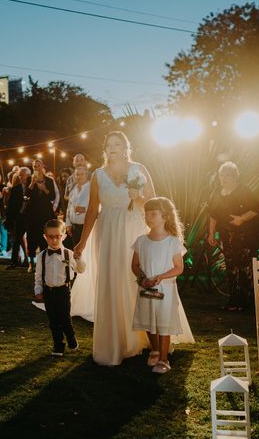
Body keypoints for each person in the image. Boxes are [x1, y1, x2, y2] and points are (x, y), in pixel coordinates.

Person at [73, 131, 156, 366]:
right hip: (107, 233)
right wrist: (82, 241)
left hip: (134, 229)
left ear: (126, 147)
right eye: (109, 144)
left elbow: (153, 203)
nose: (113, 148)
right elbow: (92, 211)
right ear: (105, 149)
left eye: (117, 144)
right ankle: (115, 343)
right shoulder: (98, 175)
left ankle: (147, 340)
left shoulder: (139, 169)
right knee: (111, 282)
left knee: (134, 281)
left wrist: (137, 197)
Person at [132, 197, 194, 374]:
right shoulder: (141, 241)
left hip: (165, 289)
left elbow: (178, 268)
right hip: (145, 288)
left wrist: (160, 277)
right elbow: (134, 265)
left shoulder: (172, 242)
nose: (148, 218)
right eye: (146, 214)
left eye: (153, 214)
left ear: (165, 216)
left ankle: (164, 359)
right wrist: (143, 279)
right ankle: (155, 350)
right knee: (148, 320)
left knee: (162, 323)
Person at [207, 161, 259, 310]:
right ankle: (234, 302)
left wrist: (241, 219)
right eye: (221, 175)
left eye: (228, 175)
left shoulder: (243, 191)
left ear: (235, 176)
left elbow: (256, 210)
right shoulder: (217, 193)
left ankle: (247, 303)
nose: (224, 178)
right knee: (231, 268)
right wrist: (211, 233)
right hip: (227, 236)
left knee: (245, 268)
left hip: (245, 235)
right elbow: (213, 215)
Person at [34, 219, 86, 356]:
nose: (54, 240)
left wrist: (79, 258)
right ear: (45, 237)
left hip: (63, 291)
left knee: (65, 318)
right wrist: (38, 290)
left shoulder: (69, 254)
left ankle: (71, 337)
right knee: (53, 320)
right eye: (50, 237)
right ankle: (58, 345)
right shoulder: (41, 256)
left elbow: (80, 270)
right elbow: (38, 276)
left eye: (58, 236)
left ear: (64, 236)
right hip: (48, 292)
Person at [25, 159, 56, 272]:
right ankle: (31, 263)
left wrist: (44, 189)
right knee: (31, 238)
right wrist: (32, 184)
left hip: (45, 213)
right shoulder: (30, 179)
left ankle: (44, 263)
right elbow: (26, 196)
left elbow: (52, 196)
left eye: (38, 165)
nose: (37, 168)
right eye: (34, 166)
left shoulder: (49, 180)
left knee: (44, 238)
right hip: (33, 214)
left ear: (43, 166)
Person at [6, 168, 30, 269]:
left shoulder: (33, 188)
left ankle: (29, 262)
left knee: (31, 240)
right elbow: (11, 206)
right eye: (19, 175)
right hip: (19, 217)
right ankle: (14, 262)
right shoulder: (15, 189)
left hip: (30, 217)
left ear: (28, 176)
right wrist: (10, 219)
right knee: (16, 240)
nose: (20, 177)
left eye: (23, 175)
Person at [65, 165, 90, 249]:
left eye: (82, 174)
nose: (79, 176)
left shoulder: (91, 188)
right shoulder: (73, 189)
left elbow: (99, 206)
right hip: (74, 228)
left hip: (87, 227)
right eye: (77, 174)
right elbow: (69, 207)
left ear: (86, 175)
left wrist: (85, 209)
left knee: (86, 252)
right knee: (76, 251)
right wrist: (68, 224)